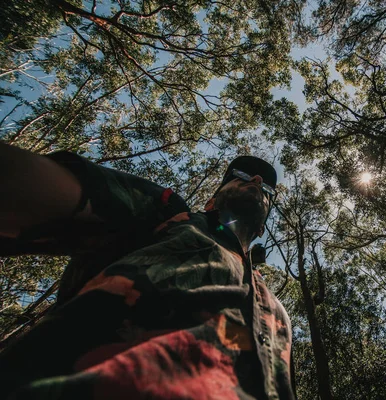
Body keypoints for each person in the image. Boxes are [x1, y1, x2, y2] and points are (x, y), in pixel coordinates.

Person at [0, 143, 294, 400]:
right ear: (211, 201)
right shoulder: (169, 215)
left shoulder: (276, 312)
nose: (256, 179)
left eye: (266, 187)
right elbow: (43, 186)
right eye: (241, 176)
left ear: (260, 228)